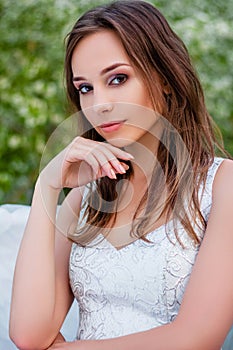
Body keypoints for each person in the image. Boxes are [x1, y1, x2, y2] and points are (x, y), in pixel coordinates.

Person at [9, 1, 233, 349]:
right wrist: (47, 185)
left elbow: (196, 338)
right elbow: (28, 335)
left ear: (164, 79)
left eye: (118, 79)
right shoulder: (87, 197)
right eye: (85, 88)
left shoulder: (222, 185)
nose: (99, 104)